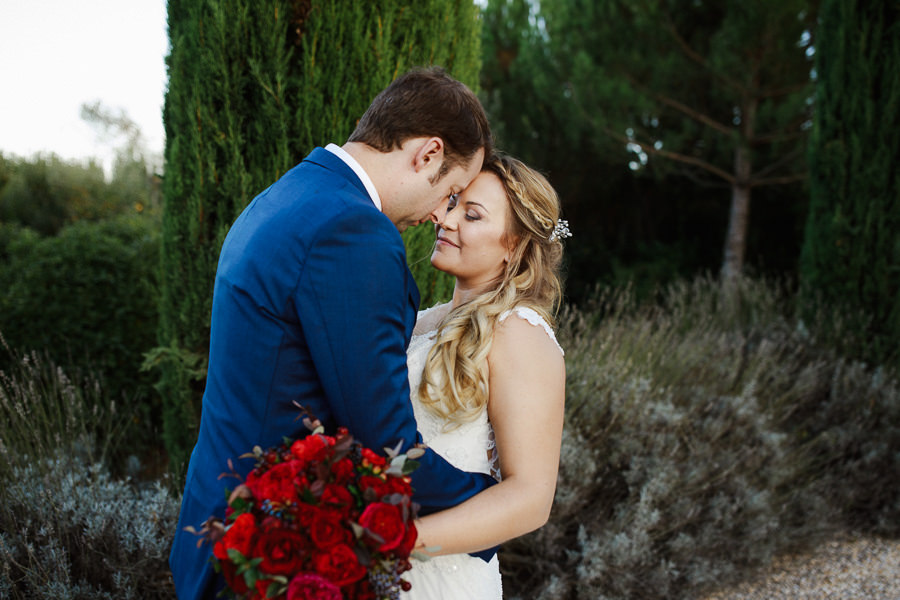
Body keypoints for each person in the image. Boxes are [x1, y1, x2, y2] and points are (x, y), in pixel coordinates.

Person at [169, 67, 500, 600]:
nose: (442, 213)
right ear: (428, 154)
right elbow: (385, 441)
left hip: (218, 525)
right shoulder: (354, 231)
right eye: (452, 191)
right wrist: (491, 503)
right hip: (266, 554)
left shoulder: (290, 192)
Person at [401, 153, 569, 598]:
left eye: (471, 215)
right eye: (453, 202)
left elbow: (531, 499)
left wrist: (402, 543)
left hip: (438, 574)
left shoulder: (519, 334)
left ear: (513, 244)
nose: (448, 219)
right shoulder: (418, 322)